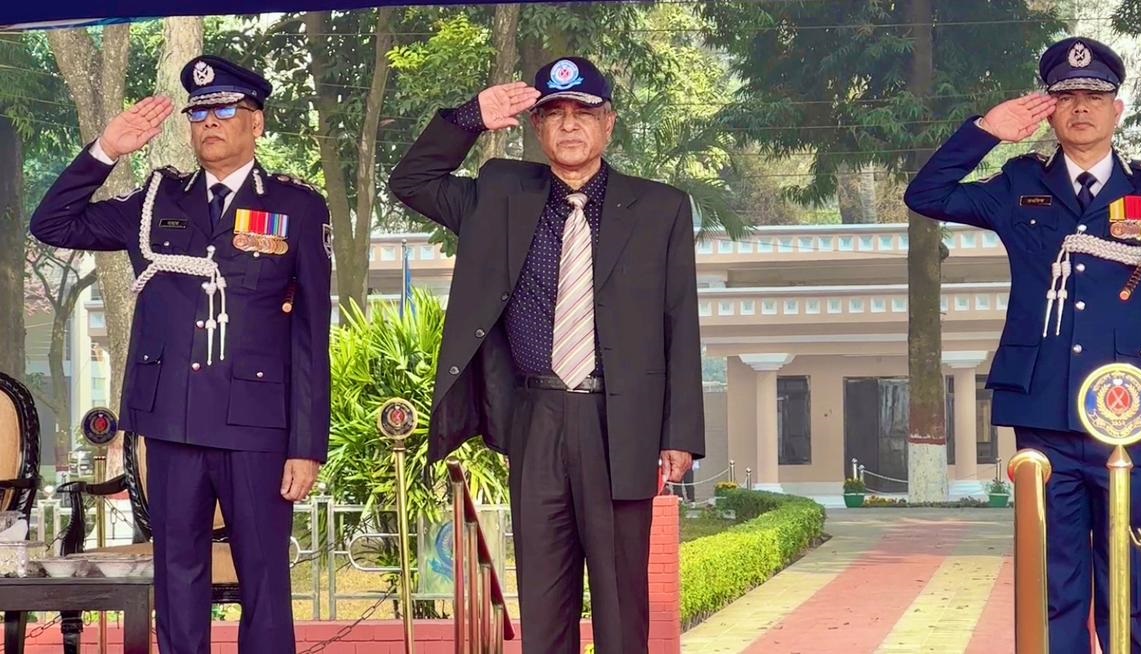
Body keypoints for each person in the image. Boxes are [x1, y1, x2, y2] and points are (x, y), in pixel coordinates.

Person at [389, 56, 704, 654]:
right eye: (554, 114)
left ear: (608, 123)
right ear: (537, 128)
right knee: (543, 602)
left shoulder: (661, 208)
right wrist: (470, 118)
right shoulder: (499, 194)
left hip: (621, 422)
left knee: (621, 607)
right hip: (535, 419)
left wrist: (680, 433)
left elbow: (680, 322)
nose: (568, 125)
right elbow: (411, 180)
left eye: (583, 112)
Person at [30, 55, 332, 654]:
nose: (209, 122)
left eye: (224, 109)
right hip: (171, 420)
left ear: (256, 122)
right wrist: (106, 150)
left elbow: (310, 334)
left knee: (265, 580)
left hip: (256, 427)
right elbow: (52, 224)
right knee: (177, 577)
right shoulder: (157, 198)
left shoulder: (297, 207)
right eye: (198, 113)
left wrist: (306, 445)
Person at [903, 36, 1141, 654]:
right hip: (1044, 407)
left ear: (1118, 110)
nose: (1081, 107)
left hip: (1128, 410)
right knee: (1055, 570)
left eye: (1095, 96)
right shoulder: (1019, 182)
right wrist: (986, 131)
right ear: (1049, 112)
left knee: (1128, 567)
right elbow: (926, 196)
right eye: (1066, 97)